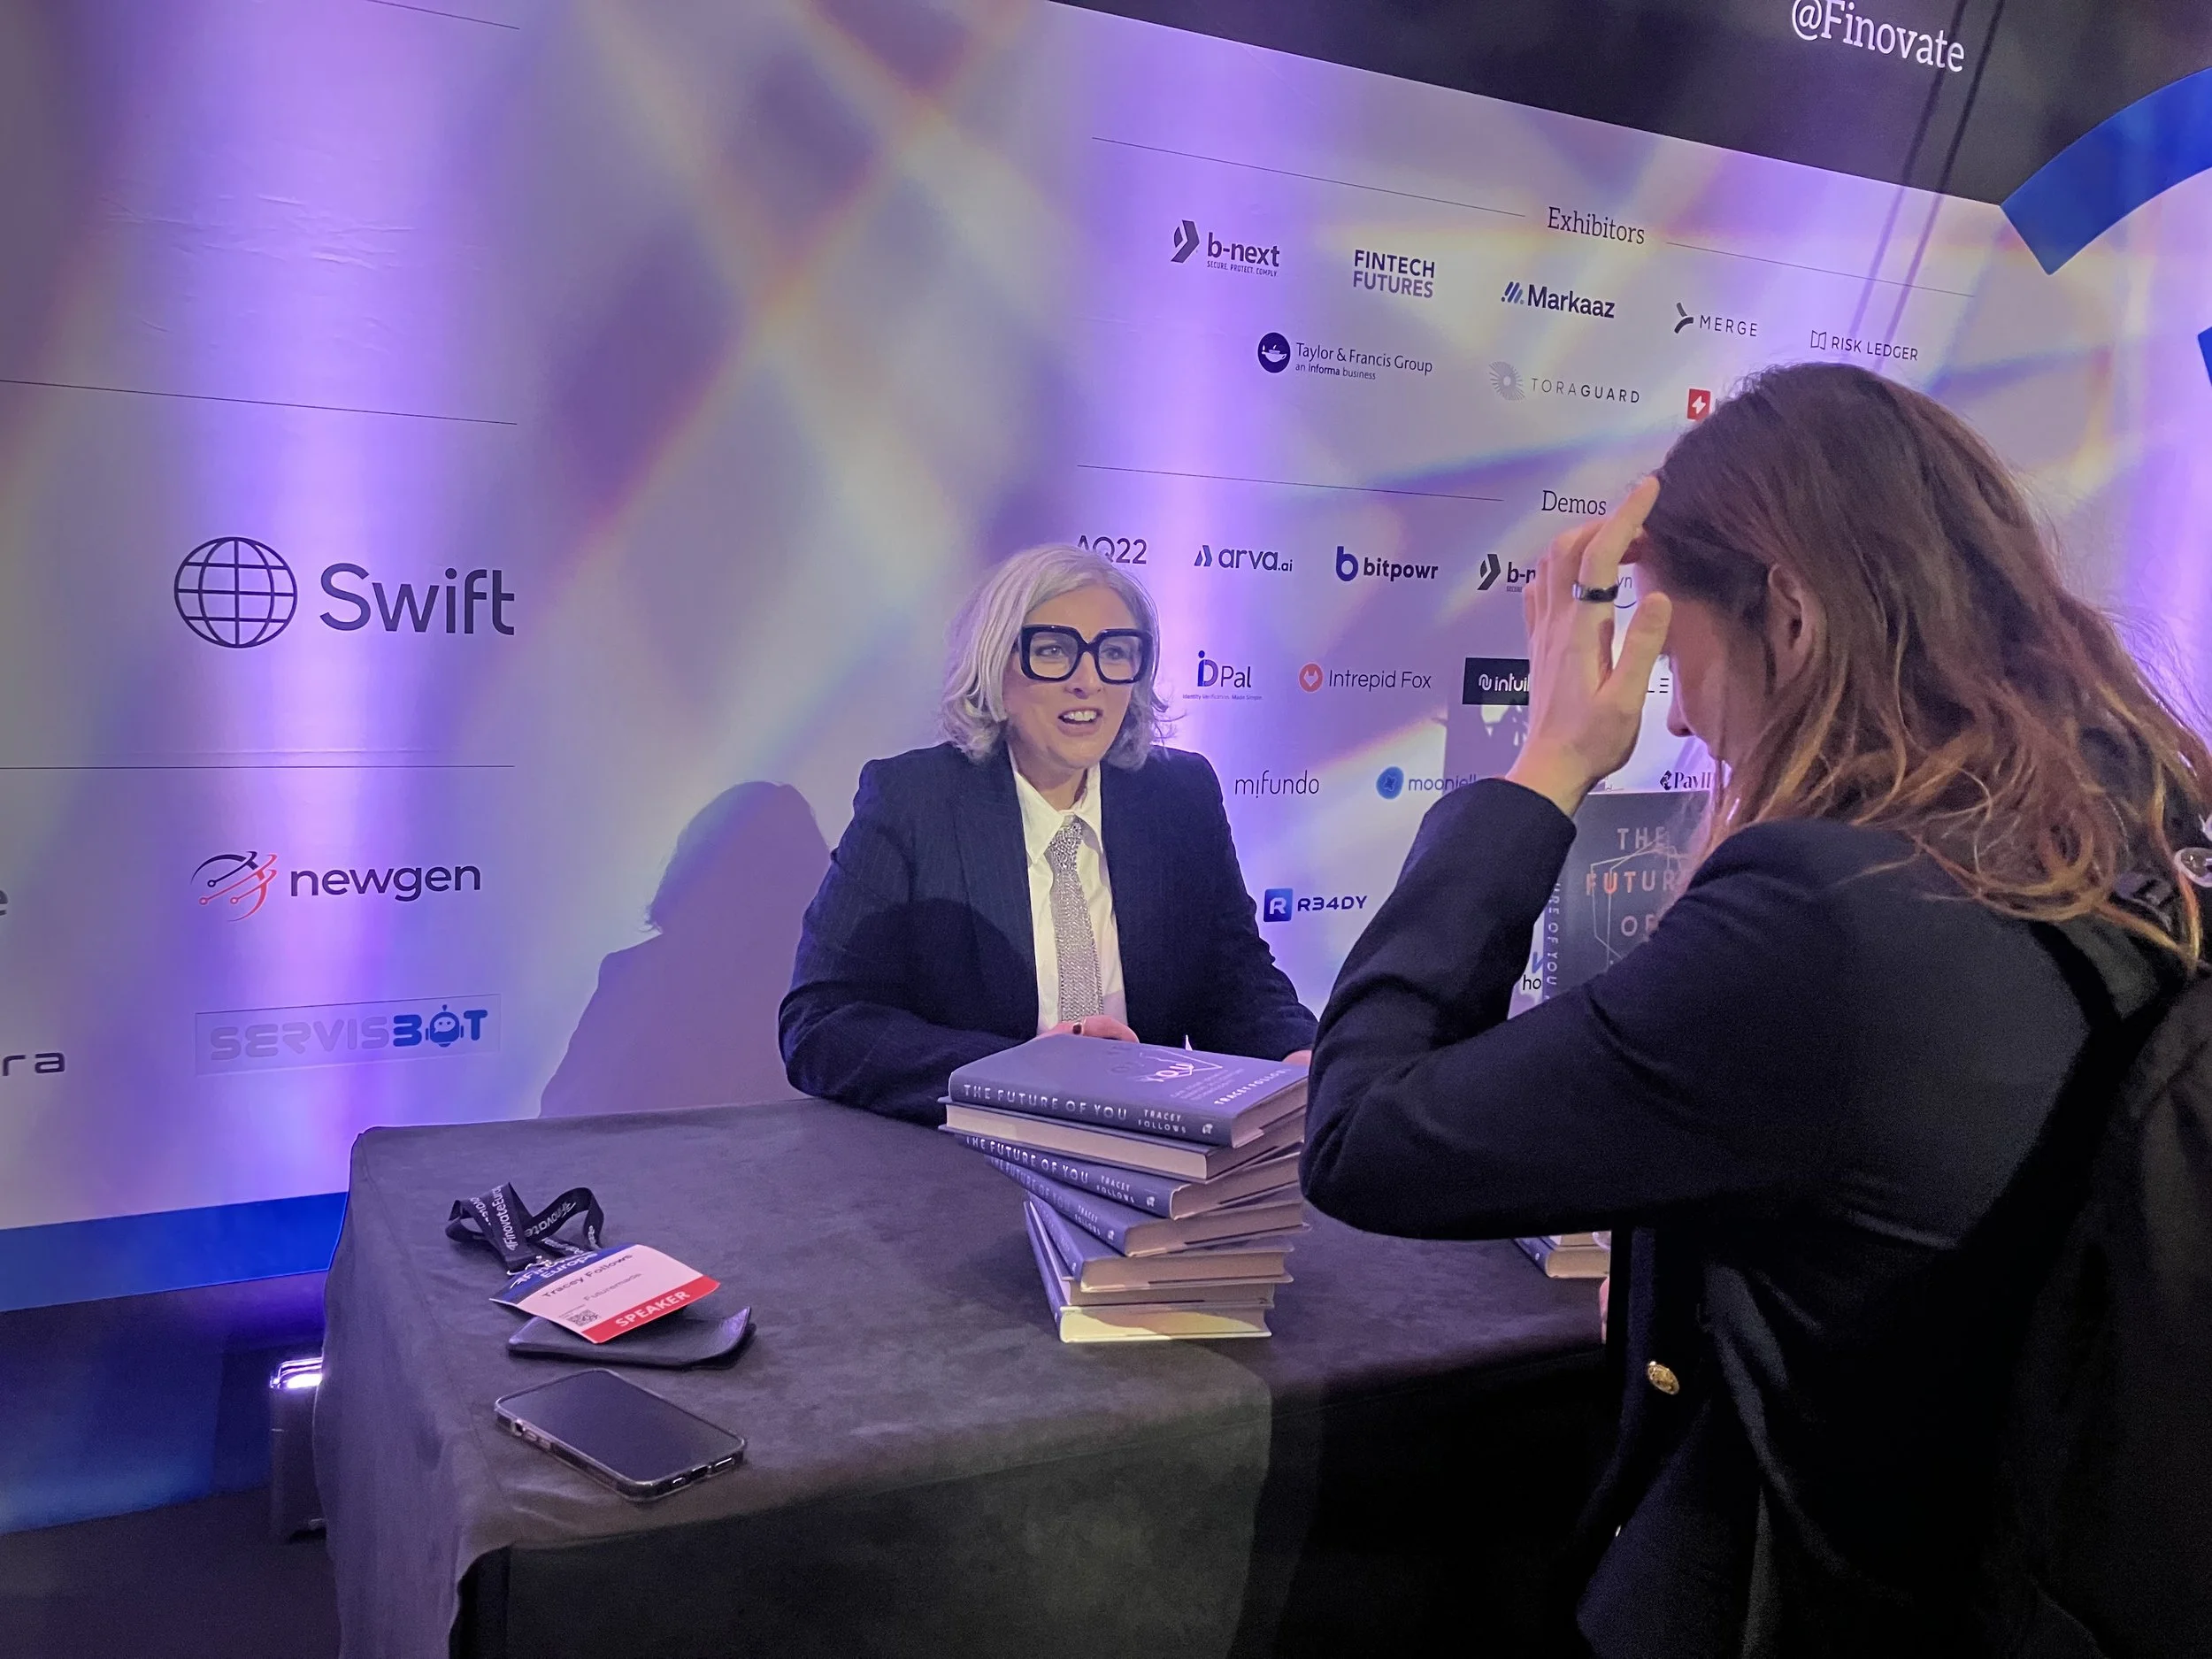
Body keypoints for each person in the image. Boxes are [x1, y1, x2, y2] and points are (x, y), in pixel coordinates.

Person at [1300, 363, 2211, 1656]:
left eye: (1675, 644)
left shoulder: (1825, 913)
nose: (1674, 711)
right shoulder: (2142, 834)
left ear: (1786, 610)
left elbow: (1366, 1136)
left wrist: (1548, 761)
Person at [781, 543, 1315, 1124]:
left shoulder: (1181, 797)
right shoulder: (914, 801)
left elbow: (1233, 981)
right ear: (996, 665)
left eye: (1114, 652)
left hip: (1149, 1150)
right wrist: (1020, 1070)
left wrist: (1297, 1056)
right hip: (963, 1160)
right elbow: (821, 1022)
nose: (1088, 680)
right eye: (1055, 650)